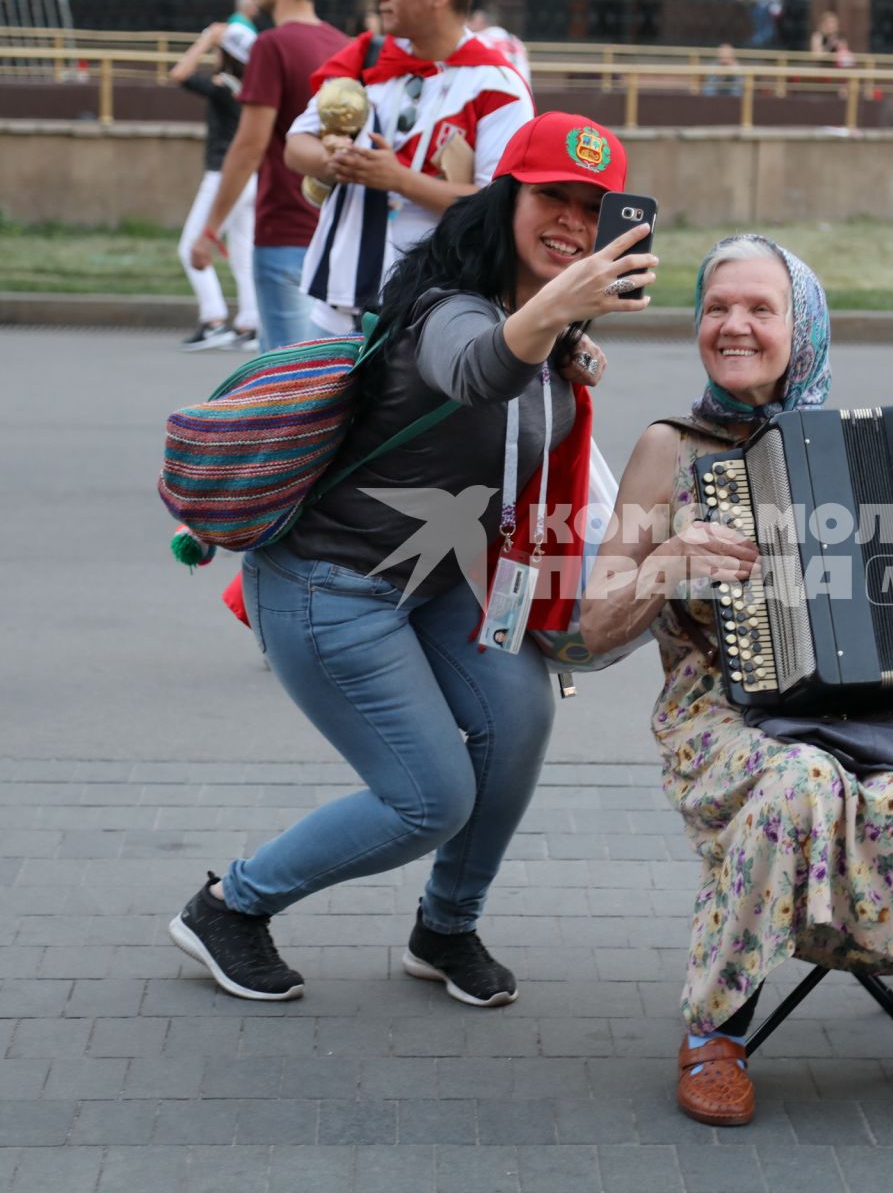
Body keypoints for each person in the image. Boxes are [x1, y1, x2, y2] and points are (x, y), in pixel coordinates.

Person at [167, 113, 654, 1006]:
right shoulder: (450, 312)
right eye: (553, 199)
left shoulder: (540, 326)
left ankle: (446, 927)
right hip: (327, 587)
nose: (574, 227)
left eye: (595, 211)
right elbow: (477, 371)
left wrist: (561, 333)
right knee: (429, 798)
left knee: (516, 721)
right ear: (506, 197)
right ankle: (229, 908)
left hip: (434, 582)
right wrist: (559, 314)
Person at [576, 234, 893, 1126]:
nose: (733, 325)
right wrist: (663, 561)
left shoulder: (888, 453)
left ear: (802, 328)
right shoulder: (669, 449)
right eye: (715, 307)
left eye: (760, 309)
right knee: (800, 781)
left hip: (879, 713)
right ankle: (717, 1030)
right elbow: (587, 628)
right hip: (723, 715)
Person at [288, 0, 535, 340]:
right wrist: (336, 159)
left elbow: (500, 207)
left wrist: (397, 179)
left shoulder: (497, 85)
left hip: (429, 311)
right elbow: (295, 147)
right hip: (336, 301)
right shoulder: (367, 59)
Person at [188, 0, 346, 353]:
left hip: (285, 233)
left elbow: (248, 146)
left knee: (283, 383)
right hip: (336, 234)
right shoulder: (342, 46)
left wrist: (209, 231)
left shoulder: (271, 46)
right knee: (327, 376)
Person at [169, 15, 262, 353]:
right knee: (243, 254)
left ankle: (213, 321)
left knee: (189, 247)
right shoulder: (252, 90)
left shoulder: (223, 87)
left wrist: (206, 40)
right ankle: (251, 324)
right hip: (250, 178)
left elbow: (179, 74)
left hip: (224, 178)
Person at [469, 4, 532, 84]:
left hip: (498, 91)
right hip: (523, 90)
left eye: (471, 20)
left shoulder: (479, 40)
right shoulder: (515, 41)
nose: (467, 24)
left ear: (481, 22)